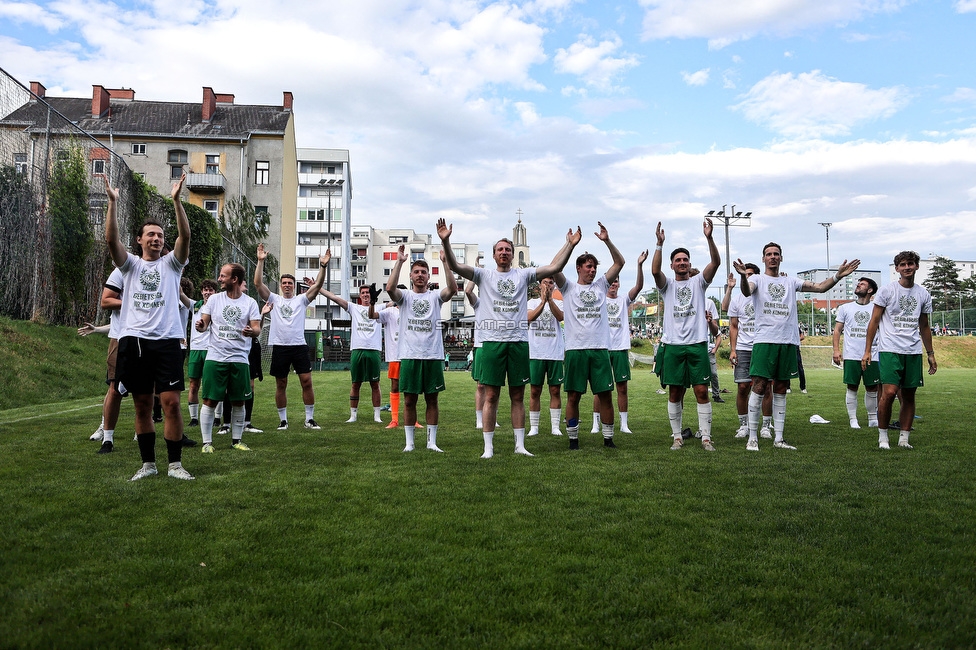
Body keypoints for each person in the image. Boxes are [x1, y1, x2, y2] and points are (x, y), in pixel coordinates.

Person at [438, 219, 580, 459]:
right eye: (500, 249)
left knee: (518, 396)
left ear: (513, 255)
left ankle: (520, 445)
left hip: (518, 343)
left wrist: (570, 245)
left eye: (508, 250)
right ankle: (488, 448)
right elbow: (454, 265)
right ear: (494, 255)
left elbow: (555, 266)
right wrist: (445, 240)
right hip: (493, 343)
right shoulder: (484, 275)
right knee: (491, 395)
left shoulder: (523, 275)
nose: (504, 252)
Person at [102, 172, 194, 480]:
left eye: (160, 235)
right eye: (150, 235)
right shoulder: (129, 265)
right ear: (140, 240)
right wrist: (112, 203)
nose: (156, 238)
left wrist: (177, 200)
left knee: (171, 404)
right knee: (142, 406)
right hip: (134, 342)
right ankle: (148, 465)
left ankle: (176, 465)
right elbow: (111, 240)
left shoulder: (172, 265)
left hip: (167, 342)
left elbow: (185, 237)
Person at [733, 244, 859, 451]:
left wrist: (838, 276)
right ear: (763, 258)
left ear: (781, 257)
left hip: (788, 342)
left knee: (781, 388)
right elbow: (747, 291)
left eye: (776, 254)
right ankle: (752, 438)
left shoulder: (791, 281)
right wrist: (742, 277)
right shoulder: (756, 279)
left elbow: (819, 288)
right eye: (768, 254)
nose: (772, 257)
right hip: (765, 341)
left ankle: (779, 439)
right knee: (759, 386)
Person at [651, 219, 721, 452]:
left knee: (702, 390)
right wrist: (659, 245)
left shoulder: (699, 283)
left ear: (690, 264)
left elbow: (716, 262)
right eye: (678, 260)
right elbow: (654, 271)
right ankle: (677, 437)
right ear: (672, 265)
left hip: (697, 345)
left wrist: (709, 237)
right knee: (674, 391)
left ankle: (706, 438)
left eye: (685, 260)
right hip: (673, 345)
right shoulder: (667, 286)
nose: (682, 263)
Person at [553, 222, 624, 450]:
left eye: (594, 267)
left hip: (600, 348)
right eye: (588, 267)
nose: (592, 270)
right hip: (575, 349)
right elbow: (554, 267)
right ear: (579, 269)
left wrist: (607, 241)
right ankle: (573, 440)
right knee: (573, 397)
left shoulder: (602, 286)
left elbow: (619, 263)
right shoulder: (568, 288)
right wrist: (570, 244)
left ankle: (608, 438)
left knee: (605, 396)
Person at [385, 244, 458, 453]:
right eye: (416, 272)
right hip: (409, 355)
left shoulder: (435, 297)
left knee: (432, 399)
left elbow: (453, 289)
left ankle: (431, 442)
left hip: (433, 355)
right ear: (411, 276)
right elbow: (390, 289)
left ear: (428, 277)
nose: (420, 275)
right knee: (409, 400)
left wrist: (445, 263)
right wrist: (399, 261)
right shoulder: (405, 297)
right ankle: (409, 443)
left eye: (423, 272)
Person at [862, 251, 937, 449]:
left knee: (909, 395)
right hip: (889, 349)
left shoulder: (923, 294)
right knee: (889, 392)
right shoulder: (886, 291)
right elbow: (874, 321)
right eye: (902, 264)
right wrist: (868, 350)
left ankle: (904, 439)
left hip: (912, 352)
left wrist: (930, 353)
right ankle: (883, 437)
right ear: (897, 269)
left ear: (916, 266)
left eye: (910, 264)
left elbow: (925, 326)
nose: (907, 268)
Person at [253, 243, 327, 430]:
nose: (287, 286)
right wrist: (260, 261)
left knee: (306, 381)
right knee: (281, 384)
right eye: (284, 283)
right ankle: (283, 421)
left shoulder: (301, 299)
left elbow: (317, 285)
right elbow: (257, 284)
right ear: (280, 286)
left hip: (299, 346)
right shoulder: (274, 299)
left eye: (290, 284)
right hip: (279, 346)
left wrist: (323, 266)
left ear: (294, 287)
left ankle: (309, 419)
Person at [194, 264, 262, 452]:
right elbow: (204, 324)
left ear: (234, 280)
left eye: (223, 276)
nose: (219, 279)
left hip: (240, 359)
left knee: (238, 401)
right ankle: (207, 443)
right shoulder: (214, 300)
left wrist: (251, 331)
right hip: (215, 358)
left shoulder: (250, 303)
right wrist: (201, 326)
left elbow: (257, 328)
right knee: (209, 400)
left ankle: (237, 440)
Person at [591, 251, 647, 435]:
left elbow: (638, 286)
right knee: (601, 388)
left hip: (620, 348)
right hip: (603, 348)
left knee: (622, 387)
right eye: (611, 281)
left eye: (616, 281)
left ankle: (624, 424)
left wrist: (639, 265)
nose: (614, 284)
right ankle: (595, 424)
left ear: (619, 283)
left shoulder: (623, 300)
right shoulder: (599, 298)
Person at [319, 277, 384, 424]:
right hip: (357, 350)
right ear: (360, 295)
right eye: (363, 293)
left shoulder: (379, 308)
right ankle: (353, 415)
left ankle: (377, 416)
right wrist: (318, 287)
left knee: (375, 383)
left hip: (373, 350)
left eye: (368, 293)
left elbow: (396, 300)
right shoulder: (354, 308)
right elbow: (334, 298)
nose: (366, 295)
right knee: (356, 383)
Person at [722, 269, 773, 440]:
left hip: (763, 345)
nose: (748, 278)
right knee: (743, 387)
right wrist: (733, 349)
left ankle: (766, 426)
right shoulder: (737, 300)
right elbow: (733, 325)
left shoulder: (766, 297)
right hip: (743, 348)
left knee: (766, 388)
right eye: (746, 274)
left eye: (751, 274)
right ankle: (743, 425)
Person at [832, 278, 881, 429]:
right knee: (852, 386)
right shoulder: (846, 308)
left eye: (862, 284)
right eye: (858, 283)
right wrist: (836, 350)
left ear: (870, 290)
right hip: (852, 354)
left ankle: (873, 418)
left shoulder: (877, 308)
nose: (858, 285)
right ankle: (853, 419)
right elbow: (837, 330)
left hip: (873, 354)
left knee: (872, 388)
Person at [527, 276, 565, 437]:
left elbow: (560, 317)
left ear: (554, 285)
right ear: (539, 285)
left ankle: (555, 426)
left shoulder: (560, 303)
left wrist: (550, 300)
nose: (548, 285)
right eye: (545, 282)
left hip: (554, 352)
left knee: (555, 390)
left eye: (551, 283)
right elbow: (529, 318)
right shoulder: (531, 303)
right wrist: (543, 301)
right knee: (535, 390)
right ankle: (534, 426)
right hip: (535, 352)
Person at [187, 279, 219, 427]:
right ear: (201, 292)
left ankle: (217, 417)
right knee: (193, 384)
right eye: (205, 290)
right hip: (195, 349)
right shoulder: (195, 306)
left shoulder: (219, 306)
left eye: (210, 290)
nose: (207, 292)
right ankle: (194, 418)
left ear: (215, 292)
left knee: (212, 384)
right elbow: (181, 294)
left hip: (211, 349)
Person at [371, 298, 402, 429]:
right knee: (395, 386)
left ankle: (413, 419)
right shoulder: (390, 312)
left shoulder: (411, 310)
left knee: (411, 388)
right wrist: (372, 303)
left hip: (410, 354)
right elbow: (372, 316)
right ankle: (394, 419)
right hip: (395, 355)